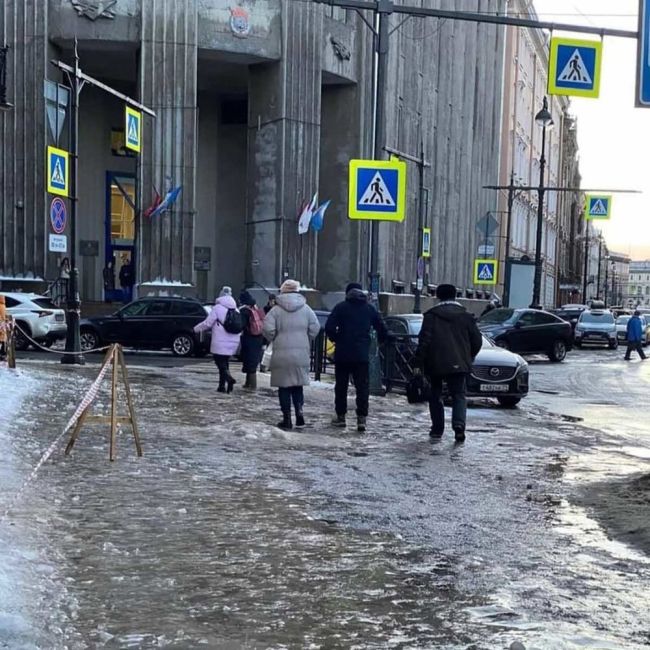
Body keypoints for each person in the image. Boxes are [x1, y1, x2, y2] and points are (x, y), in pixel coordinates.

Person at [416, 283, 482, 442]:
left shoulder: (431, 316)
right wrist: (468, 355)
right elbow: (477, 340)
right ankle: (459, 426)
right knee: (459, 394)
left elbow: (424, 341)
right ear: (455, 296)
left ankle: (437, 429)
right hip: (459, 362)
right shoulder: (466, 316)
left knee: (435, 394)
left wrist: (418, 363)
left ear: (438, 296)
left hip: (435, 362)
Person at [325, 282, 388, 432]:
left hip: (342, 354)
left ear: (347, 293)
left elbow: (329, 327)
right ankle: (361, 419)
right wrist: (380, 341)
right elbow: (382, 327)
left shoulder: (341, 307)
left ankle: (341, 417)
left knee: (341, 387)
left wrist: (337, 338)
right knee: (362, 387)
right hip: (361, 355)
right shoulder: (369, 309)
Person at [262, 279, 320, 430]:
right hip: (301, 353)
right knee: (297, 385)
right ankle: (299, 412)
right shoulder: (306, 309)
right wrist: (305, 338)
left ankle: (286, 418)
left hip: (281, 353)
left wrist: (275, 338)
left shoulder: (275, 311)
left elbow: (267, 329)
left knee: (284, 387)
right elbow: (315, 328)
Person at [194, 286, 242, 392]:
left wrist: (196, 329)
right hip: (233, 340)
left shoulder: (217, 308)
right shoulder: (236, 309)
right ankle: (222, 386)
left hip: (220, 341)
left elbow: (208, 323)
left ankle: (228, 379)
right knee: (225, 363)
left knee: (219, 362)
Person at [239, 290, 265, 390]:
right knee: (252, 362)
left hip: (249, 338)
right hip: (258, 338)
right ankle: (248, 383)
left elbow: (241, 325)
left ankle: (252, 386)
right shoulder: (256, 308)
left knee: (250, 363)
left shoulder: (244, 311)